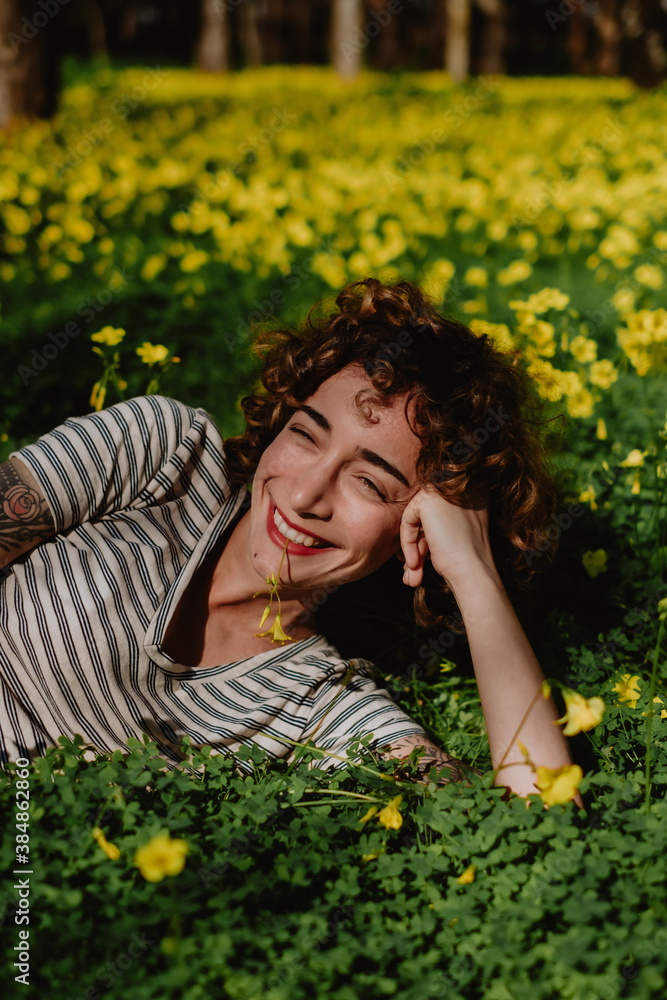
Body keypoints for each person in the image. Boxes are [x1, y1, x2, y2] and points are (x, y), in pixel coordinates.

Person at [0, 278, 577, 798]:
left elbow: (534, 821)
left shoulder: (320, 703)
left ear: (418, 532)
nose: (304, 496)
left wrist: (475, 574)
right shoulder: (163, 452)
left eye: (370, 484)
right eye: (306, 435)